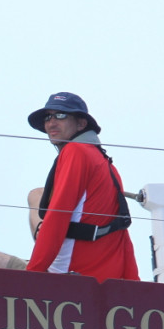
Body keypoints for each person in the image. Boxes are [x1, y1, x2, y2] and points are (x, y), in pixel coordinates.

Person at [26, 92, 139, 282]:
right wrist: (133, 283)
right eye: (48, 117)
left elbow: (57, 217)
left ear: (81, 124)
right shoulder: (107, 164)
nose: (51, 123)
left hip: (66, 274)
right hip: (105, 280)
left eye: (61, 115)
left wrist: (31, 275)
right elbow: (122, 228)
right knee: (36, 194)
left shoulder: (75, 152)